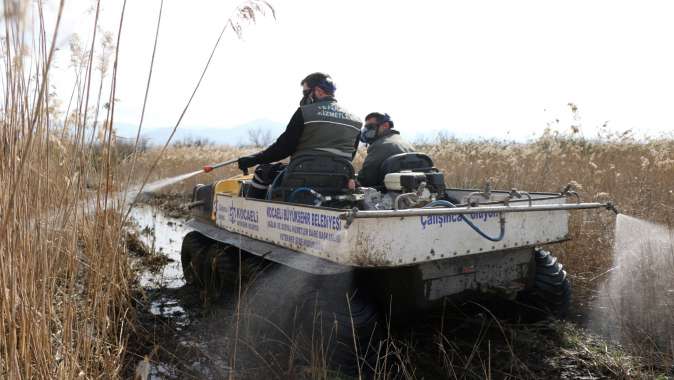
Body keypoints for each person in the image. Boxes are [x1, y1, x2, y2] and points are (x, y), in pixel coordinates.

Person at [237, 72, 362, 197]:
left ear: (318, 91)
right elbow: (350, 155)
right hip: (338, 180)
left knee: (261, 171)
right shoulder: (355, 121)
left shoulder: (305, 113)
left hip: (300, 177)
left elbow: (283, 148)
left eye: (305, 93)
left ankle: (257, 215)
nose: (304, 97)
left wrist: (253, 160)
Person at [356, 112, 415, 187]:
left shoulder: (378, 145)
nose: (367, 131)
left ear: (385, 125)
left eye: (370, 127)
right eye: (366, 128)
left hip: (389, 196)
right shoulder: (406, 143)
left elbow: (366, 179)